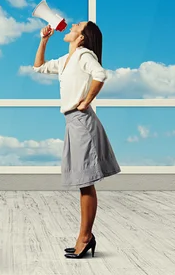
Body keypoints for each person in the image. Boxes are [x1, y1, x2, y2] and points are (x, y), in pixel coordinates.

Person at [33, 20, 121, 259]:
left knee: (85, 182)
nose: (72, 25)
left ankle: (85, 238)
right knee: (84, 182)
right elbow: (38, 66)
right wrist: (44, 39)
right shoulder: (66, 59)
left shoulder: (84, 55)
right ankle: (85, 236)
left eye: (77, 26)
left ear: (81, 38)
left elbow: (100, 74)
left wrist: (87, 100)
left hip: (82, 121)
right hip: (73, 122)